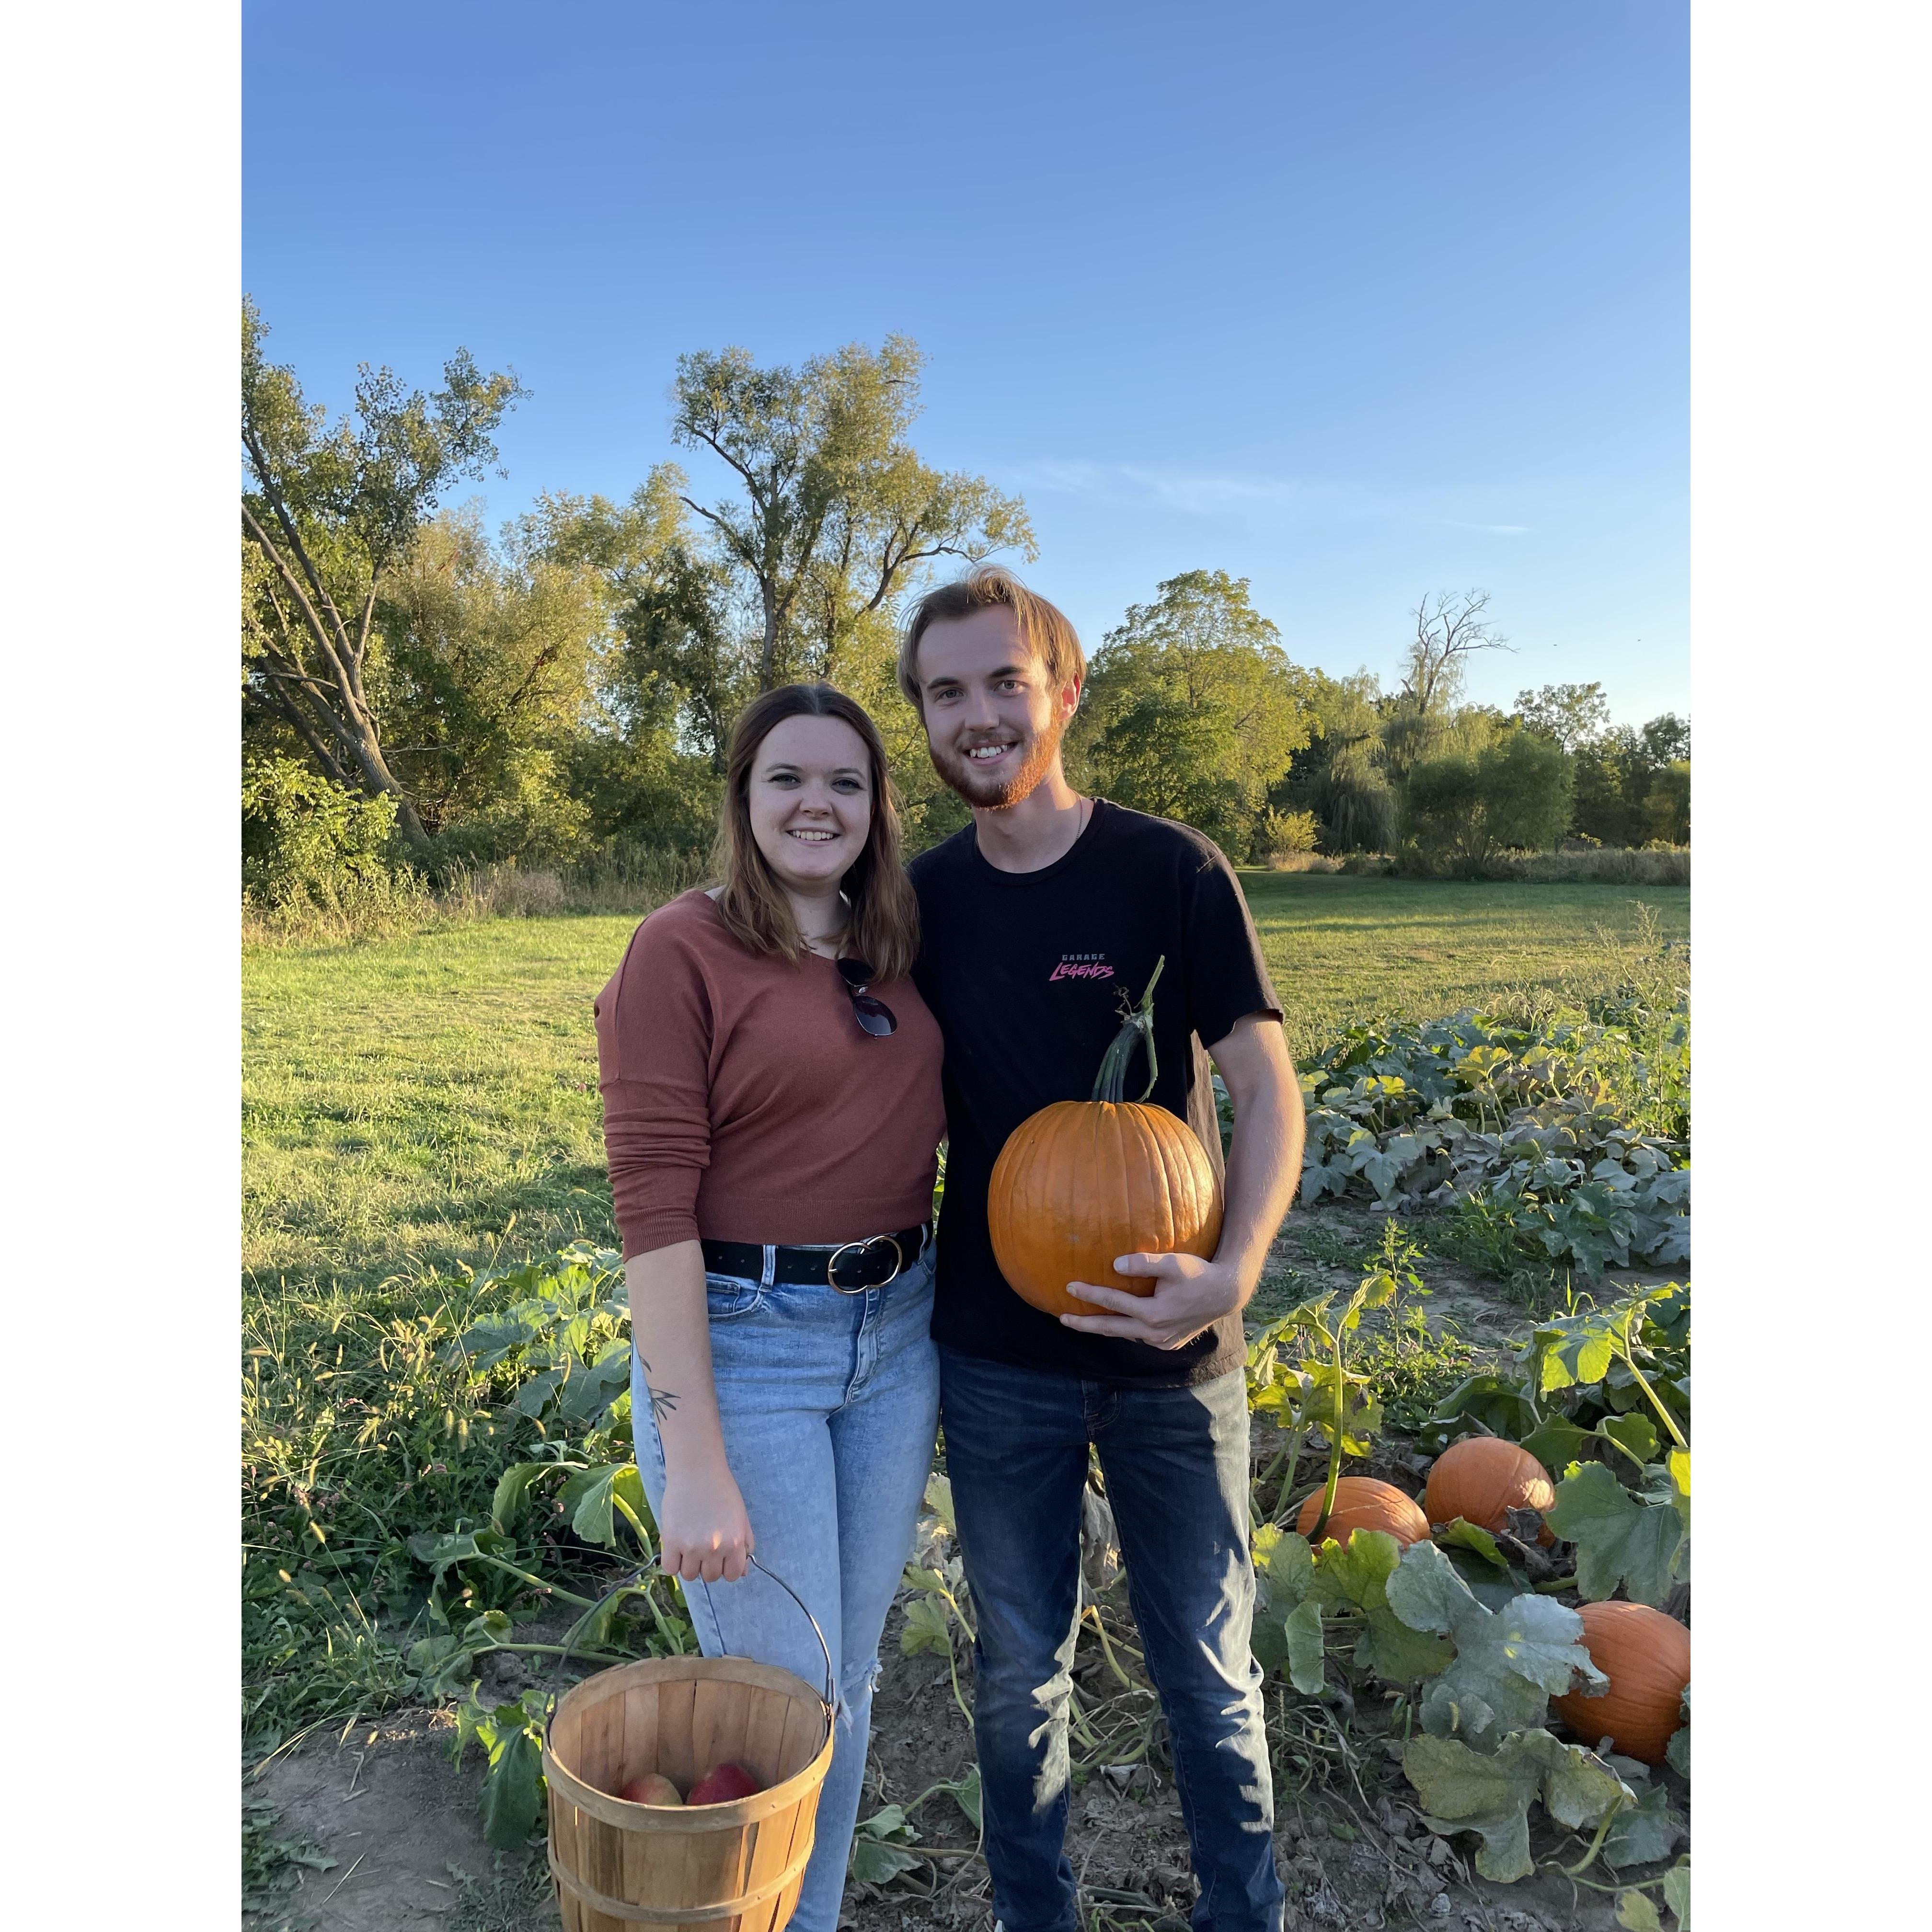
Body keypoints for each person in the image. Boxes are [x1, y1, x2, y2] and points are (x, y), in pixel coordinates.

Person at [900, 567, 1306, 1932]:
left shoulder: (1171, 871)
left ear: (1065, 694)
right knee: (1018, 1674)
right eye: (946, 691)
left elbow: (1265, 1082)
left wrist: (1233, 1272)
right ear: (925, 716)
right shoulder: (922, 901)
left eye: (1004, 682)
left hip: (1170, 1343)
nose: (979, 715)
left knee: (1208, 1674)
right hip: (995, 1352)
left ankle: (1243, 1919)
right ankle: (1037, 1919)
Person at [593, 682, 947, 1932]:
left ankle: (814, 1918)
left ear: (877, 807)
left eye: (845, 782)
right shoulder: (679, 950)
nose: (818, 803)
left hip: (899, 1339)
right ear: (743, 800)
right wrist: (692, 1460)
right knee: (781, 1711)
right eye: (787, 778)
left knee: (838, 1690)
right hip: (749, 1352)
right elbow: (654, 1212)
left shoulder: (899, 944)